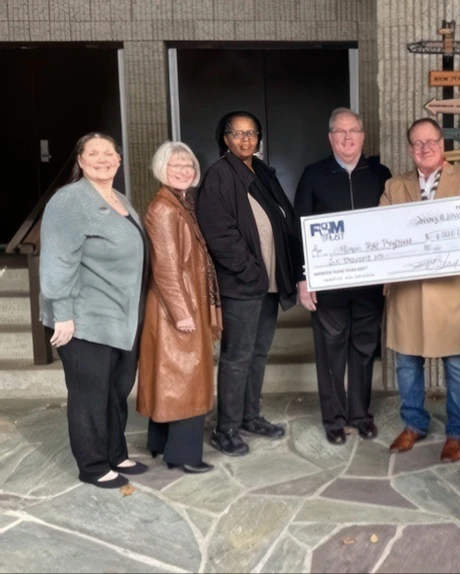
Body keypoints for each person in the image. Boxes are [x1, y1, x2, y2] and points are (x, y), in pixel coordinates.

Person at [380, 118, 460, 463]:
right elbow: (379, 230)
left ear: (442, 144)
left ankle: (457, 431)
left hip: (454, 291)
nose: (425, 148)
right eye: (417, 143)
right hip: (408, 291)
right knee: (406, 361)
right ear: (409, 149)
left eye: (431, 141)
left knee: (458, 363)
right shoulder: (394, 185)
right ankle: (414, 423)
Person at [40, 133, 148, 489]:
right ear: (81, 161)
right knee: (89, 394)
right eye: (93, 153)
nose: (102, 159)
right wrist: (63, 313)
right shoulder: (70, 200)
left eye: (109, 153)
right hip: (84, 318)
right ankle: (92, 464)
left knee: (115, 390)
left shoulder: (119, 199)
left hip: (119, 317)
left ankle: (115, 453)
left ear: (118, 160)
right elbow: (58, 260)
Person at [196, 110, 303, 456]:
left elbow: (283, 219)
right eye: (237, 133)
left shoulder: (262, 173)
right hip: (243, 285)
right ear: (224, 138)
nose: (245, 139)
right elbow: (219, 233)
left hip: (269, 283)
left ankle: (249, 416)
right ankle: (225, 428)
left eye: (251, 133)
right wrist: (248, 270)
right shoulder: (219, 176)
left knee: (258, 353)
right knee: (237, 357)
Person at [294, 108, 392, 445]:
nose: (348, 137)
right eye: (340, 131)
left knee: (364, 351)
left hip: (369, 286)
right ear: (330, 137)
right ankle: (333, 419)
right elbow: (299, 230)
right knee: (330, 353)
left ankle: (360, 414)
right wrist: (302, 279)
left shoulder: (381, 174)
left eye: (354, 131)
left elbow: (394, 224)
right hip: (329, 286)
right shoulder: (314, 175)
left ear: (363, 136)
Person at [136, 142, 221, 474]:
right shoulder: (166, 209)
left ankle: (160, 443)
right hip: (178, 305)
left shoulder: (178, 202)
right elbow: (168, 267)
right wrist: (182, 312)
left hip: (178, 302)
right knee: (188, 377)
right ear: (162, 169)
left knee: (170, 375)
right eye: (176, 166)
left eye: (188, 165)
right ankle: (183, 454)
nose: (184, 170)